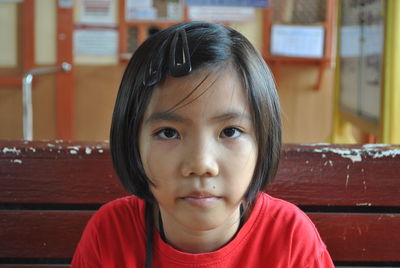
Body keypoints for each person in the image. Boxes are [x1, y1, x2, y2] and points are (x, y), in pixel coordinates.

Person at [71, 21, 334, 268]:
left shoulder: (290, 238)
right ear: (132, 143)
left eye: (230, 131)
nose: (201, 164)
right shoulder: (109, 234)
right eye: (168, 133)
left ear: (264, 141)